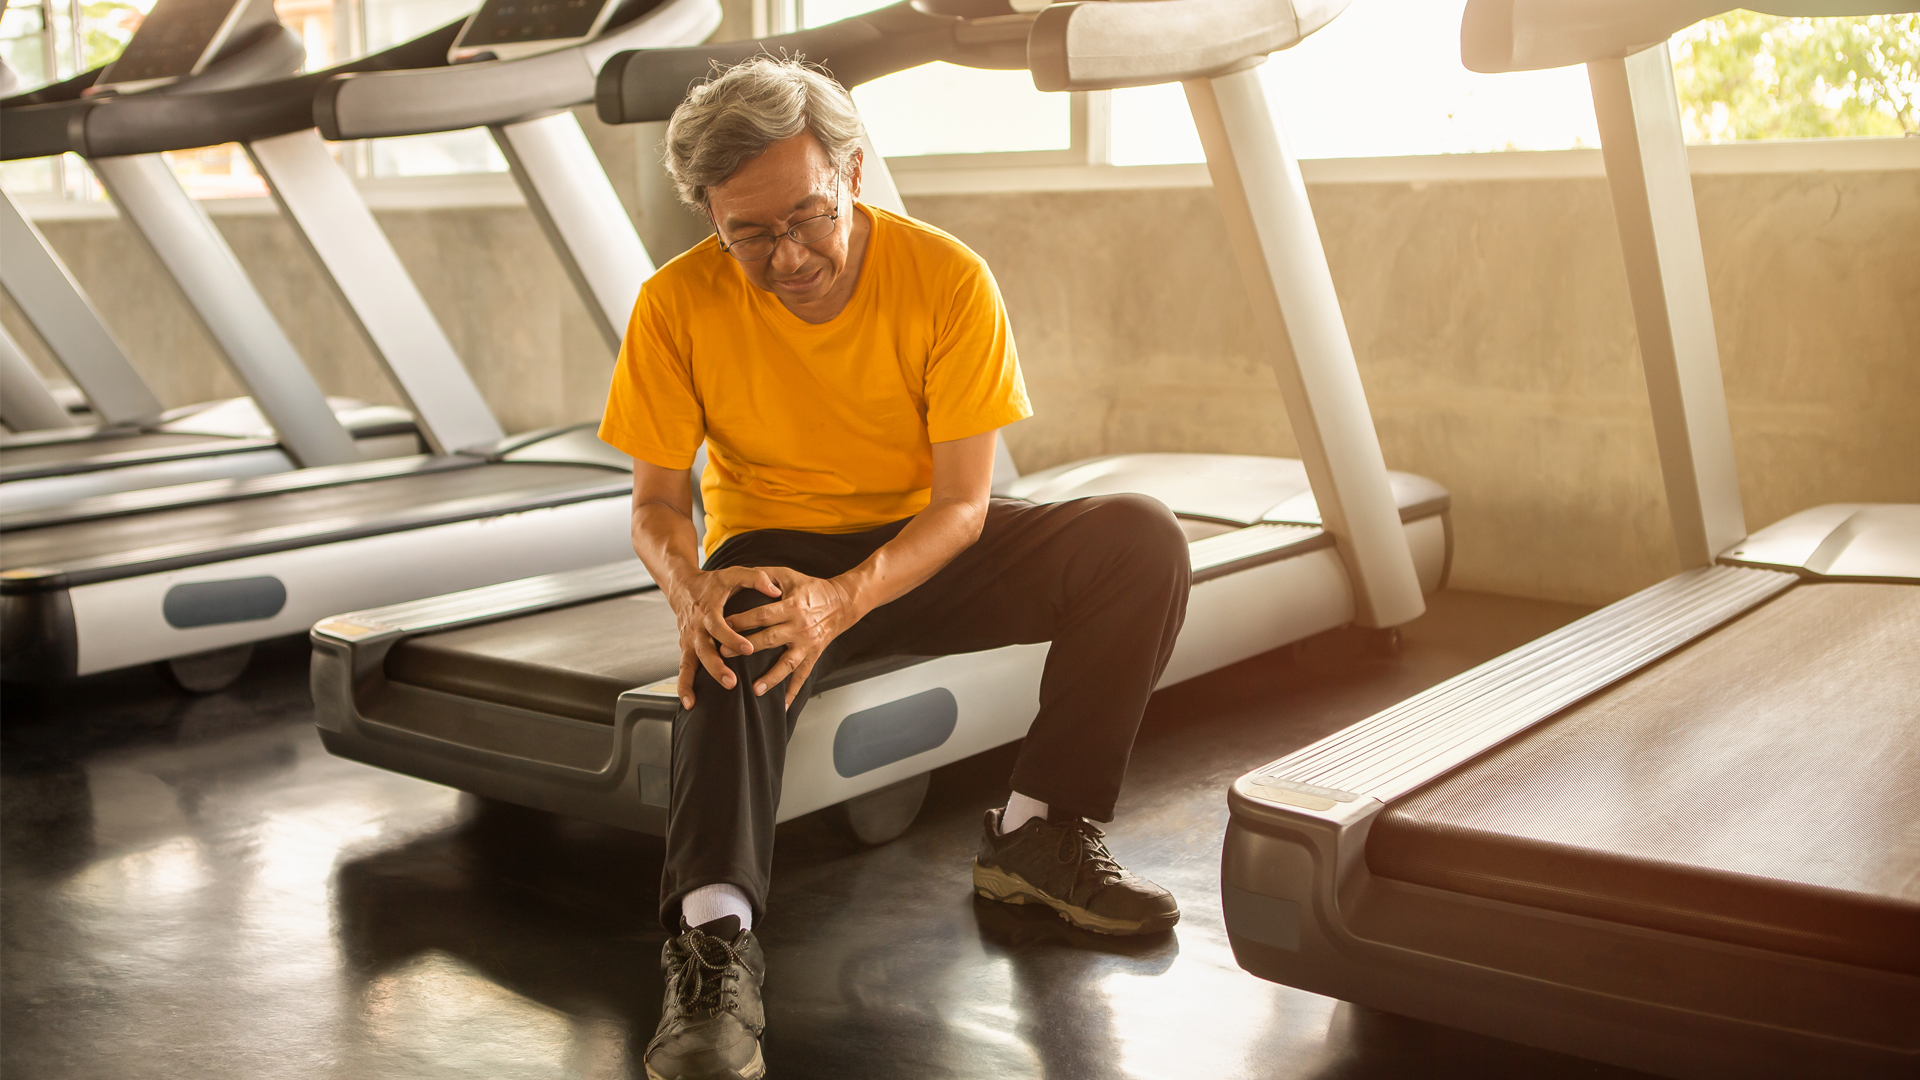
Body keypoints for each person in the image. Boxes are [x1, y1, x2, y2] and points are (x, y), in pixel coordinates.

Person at [598, 56, 1192, 1080]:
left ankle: (1036, 837)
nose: (786, 256)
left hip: (922, 540)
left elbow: (965, 505)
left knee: (1139, 540)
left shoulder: (945, 278)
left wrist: (850, 598)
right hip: (774, 552)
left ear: (852, 174)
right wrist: (689, 588)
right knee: (732, 628)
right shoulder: (674, 305)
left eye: (806, 217)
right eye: (749, 232)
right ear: (710, 216)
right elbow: (656, 505)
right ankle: (713, 944)